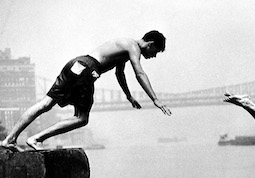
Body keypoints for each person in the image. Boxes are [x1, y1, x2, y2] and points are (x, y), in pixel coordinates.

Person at [1, 31, 172, 152]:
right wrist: (155, 99)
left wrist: (128, 96)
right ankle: (36, 139)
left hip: (76, 63)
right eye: (155, 52)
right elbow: (139, 72)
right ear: (150, 44)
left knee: (45, 104)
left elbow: (119, 73)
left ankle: (9, 139)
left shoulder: (125, 45)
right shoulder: (133, 47)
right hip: (89, 69)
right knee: (81, 119)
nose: (153, 56)